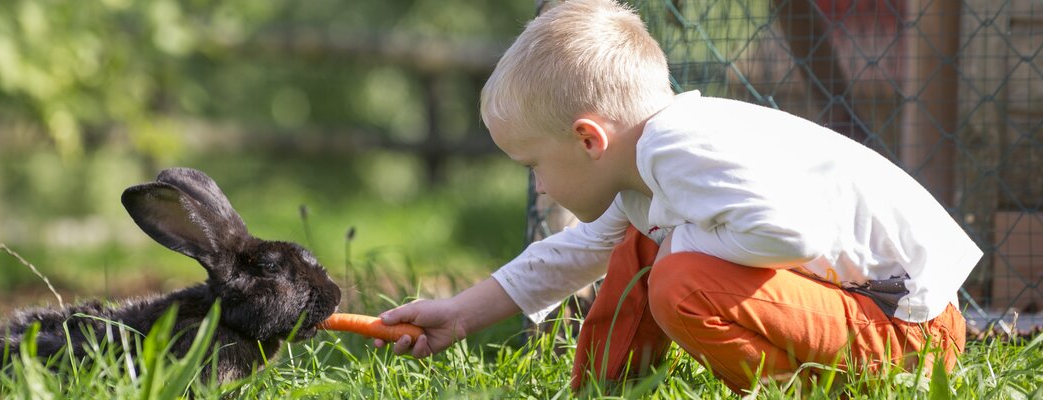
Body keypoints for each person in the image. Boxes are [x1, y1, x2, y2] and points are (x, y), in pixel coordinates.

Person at [375, 0, 980, 393]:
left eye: (535, 165)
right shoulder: (646, 162)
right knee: (644, 247)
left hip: (909, 335)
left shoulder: (678, 150)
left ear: (589, 139)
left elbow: (794, 235)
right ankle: (606, 387)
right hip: (861, 313)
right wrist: (458, 314)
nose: (539, 185)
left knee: (676, 275)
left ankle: (794, 391)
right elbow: (571, 253)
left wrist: (677, 246)